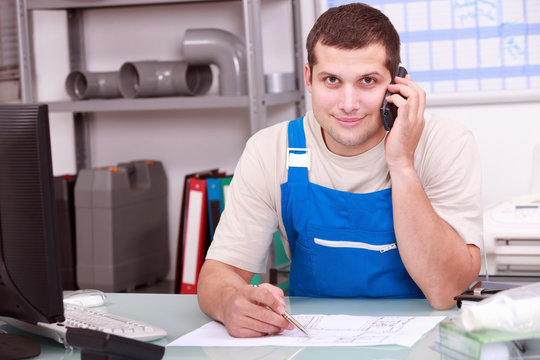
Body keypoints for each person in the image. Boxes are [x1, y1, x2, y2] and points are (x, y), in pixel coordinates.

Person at [198, 2, 482, 338]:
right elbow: (219, 272)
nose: (348, 103)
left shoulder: (447, 143)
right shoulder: (269, 150)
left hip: (427, 342)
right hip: (311, 341)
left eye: (367, 81)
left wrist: (402, 164)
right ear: (309, 78)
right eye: (331, 80)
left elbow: (445, 290)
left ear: (397, 83)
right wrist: (231, 303)